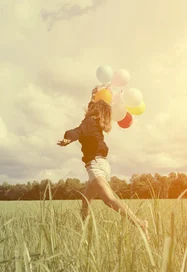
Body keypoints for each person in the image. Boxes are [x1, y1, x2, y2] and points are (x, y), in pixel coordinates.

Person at [58, 89, 149, 236]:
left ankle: (140, 223)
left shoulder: (88, 122)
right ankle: (84, 231)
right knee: (85, 202)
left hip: (95, 166)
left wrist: (68, 139)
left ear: (96, 111)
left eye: (93, 107)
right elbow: (90, 110)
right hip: (103, 165)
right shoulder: (97, 124)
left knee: (109, 199)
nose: (89, 108)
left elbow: (78, 131)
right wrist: (93, 97)